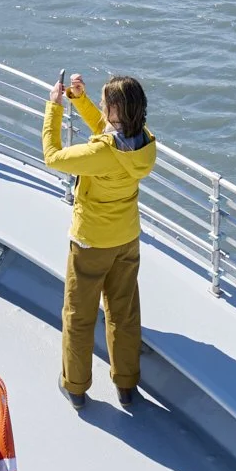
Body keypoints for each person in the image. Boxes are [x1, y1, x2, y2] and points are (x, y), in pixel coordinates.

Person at [41, 71, 157, 412]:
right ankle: (126, 385)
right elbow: (105, 133)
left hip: (91, 242)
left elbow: (53, 156)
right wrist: (80, 100)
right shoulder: (145, 143)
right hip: (126, 239)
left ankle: (75, 386)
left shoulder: (102, 154)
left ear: (116, 110)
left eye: (105, 104)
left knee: (79, 315)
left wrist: (55, 108)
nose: (102, 107)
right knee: (124, 312)